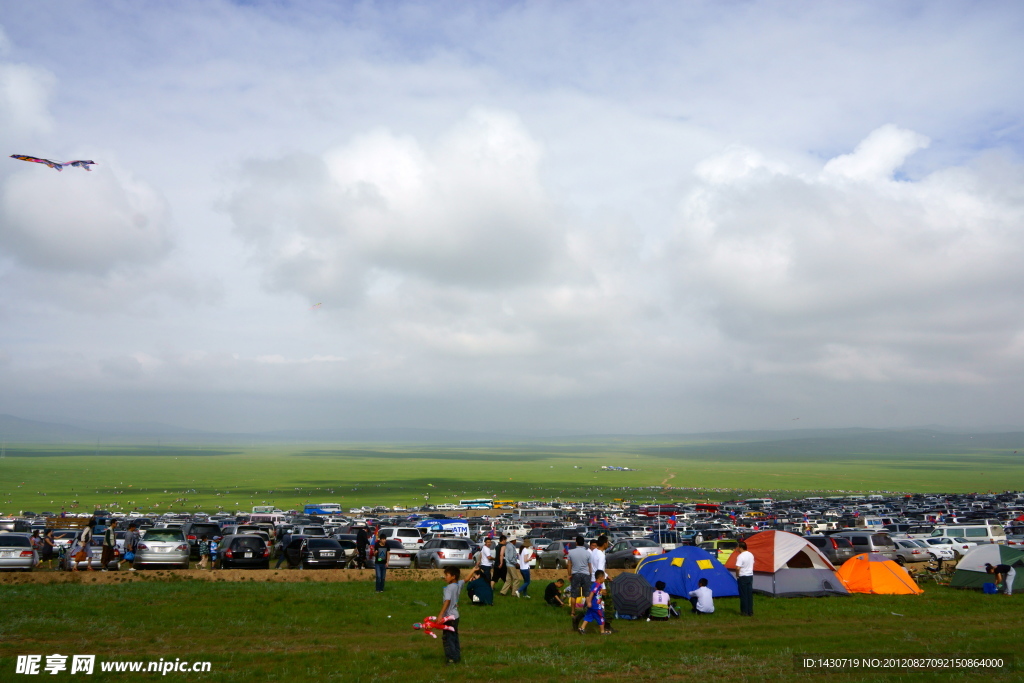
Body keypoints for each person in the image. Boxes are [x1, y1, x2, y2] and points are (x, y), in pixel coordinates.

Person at [438, 566, 465, 665]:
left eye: (447, 575)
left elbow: (447, 601)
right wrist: (473, 570)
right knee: (454, 637)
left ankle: (451, 659)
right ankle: (456, 657)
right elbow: (465, 580)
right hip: (456, 616)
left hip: (449, 617)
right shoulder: (458, 584)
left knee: (448, 638)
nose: (445, 577)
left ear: (453, 576)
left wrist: (441, 614)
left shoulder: (449, 588)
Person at [567, 536, 592, 623]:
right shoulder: (588, 553)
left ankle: (573, 612)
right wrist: (590, 574)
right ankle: (588, 610)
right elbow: (590, 566)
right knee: (587, 594)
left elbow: (569, 565)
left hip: (575, 574)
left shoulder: (570, 552)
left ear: (576, 542)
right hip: (586, 574)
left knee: (574, 594)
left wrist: (569, 574)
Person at [578, 570, 610, 635]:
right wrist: (589, 602)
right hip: (596, 606)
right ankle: (602, 631)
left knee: (589, 616)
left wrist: (603, 592)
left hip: (593, 605)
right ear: (600, 578)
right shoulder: (597, 585)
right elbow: (592, 593)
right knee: (601, 617)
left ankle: (582, 628)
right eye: (604, 577)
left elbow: (597, 592)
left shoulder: (596, 585)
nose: (604, 579)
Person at [734, 540, 755, 616]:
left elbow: (738, 568)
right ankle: (750, 611)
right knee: (749, 594)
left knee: (743, 595)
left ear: (741, 548)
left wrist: (737, 575)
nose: (737, 549)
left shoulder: (741, 556)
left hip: (742, 576)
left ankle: (744, 611)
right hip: (750, 575)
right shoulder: (750, 554)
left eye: (738, 547)